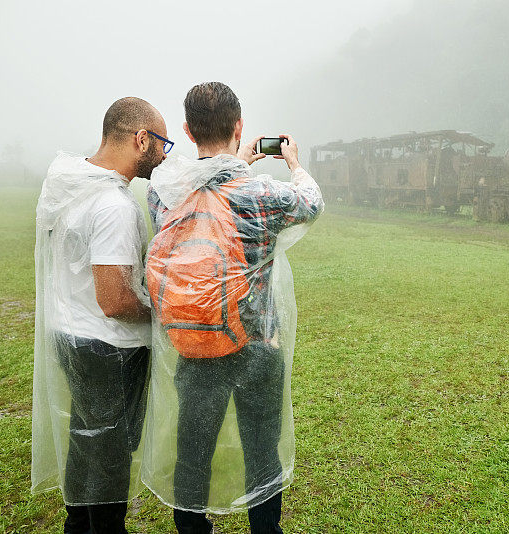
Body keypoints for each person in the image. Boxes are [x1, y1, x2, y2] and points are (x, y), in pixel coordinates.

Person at [141, 82, 323, 534]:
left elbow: (202, 194)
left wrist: (229, 164)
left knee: (193, 449)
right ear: (239, 127)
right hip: (258, 343)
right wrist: (295, 163)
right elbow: (311, 203)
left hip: (195, 341)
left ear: (186, 130)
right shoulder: (262, 193)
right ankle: (265, 529)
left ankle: (192, 529)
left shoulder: (164, 193)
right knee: (263, 447)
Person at [31, 97, 171, 533]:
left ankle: (78, 522)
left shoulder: (71, 182)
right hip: (107, 346)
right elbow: (115, 300)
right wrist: (161, 315)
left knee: (86, 437)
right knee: (110, 449)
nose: (166, 155)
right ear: (140, 138)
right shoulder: (113, 205)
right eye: (162, 143)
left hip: (69, 330)